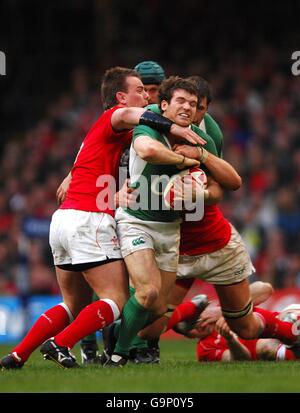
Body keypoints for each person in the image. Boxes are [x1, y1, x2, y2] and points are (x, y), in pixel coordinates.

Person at [0, 67, 203, 370]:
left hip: (64, 219)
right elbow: (140, 118)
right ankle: (61, 343)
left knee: (73, 304)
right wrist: (177, 129)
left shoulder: (104, 131)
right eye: (138, 90)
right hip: (89, 219)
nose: (145, 96)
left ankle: (17, 355)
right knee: (117, 299)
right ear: (121, 97)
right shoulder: (116, 115)